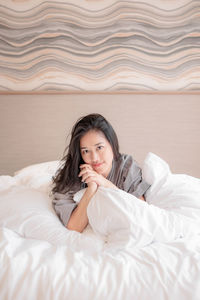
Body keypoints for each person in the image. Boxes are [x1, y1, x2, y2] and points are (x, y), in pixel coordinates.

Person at [52, 113, 151, 233]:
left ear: (111, 144)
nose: (94, 158)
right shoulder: (73, 175)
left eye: (99, 148)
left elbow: (140, 210)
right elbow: (74, 226)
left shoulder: (126, 167)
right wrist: (91, 188)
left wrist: (103, 182)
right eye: (86, 151)